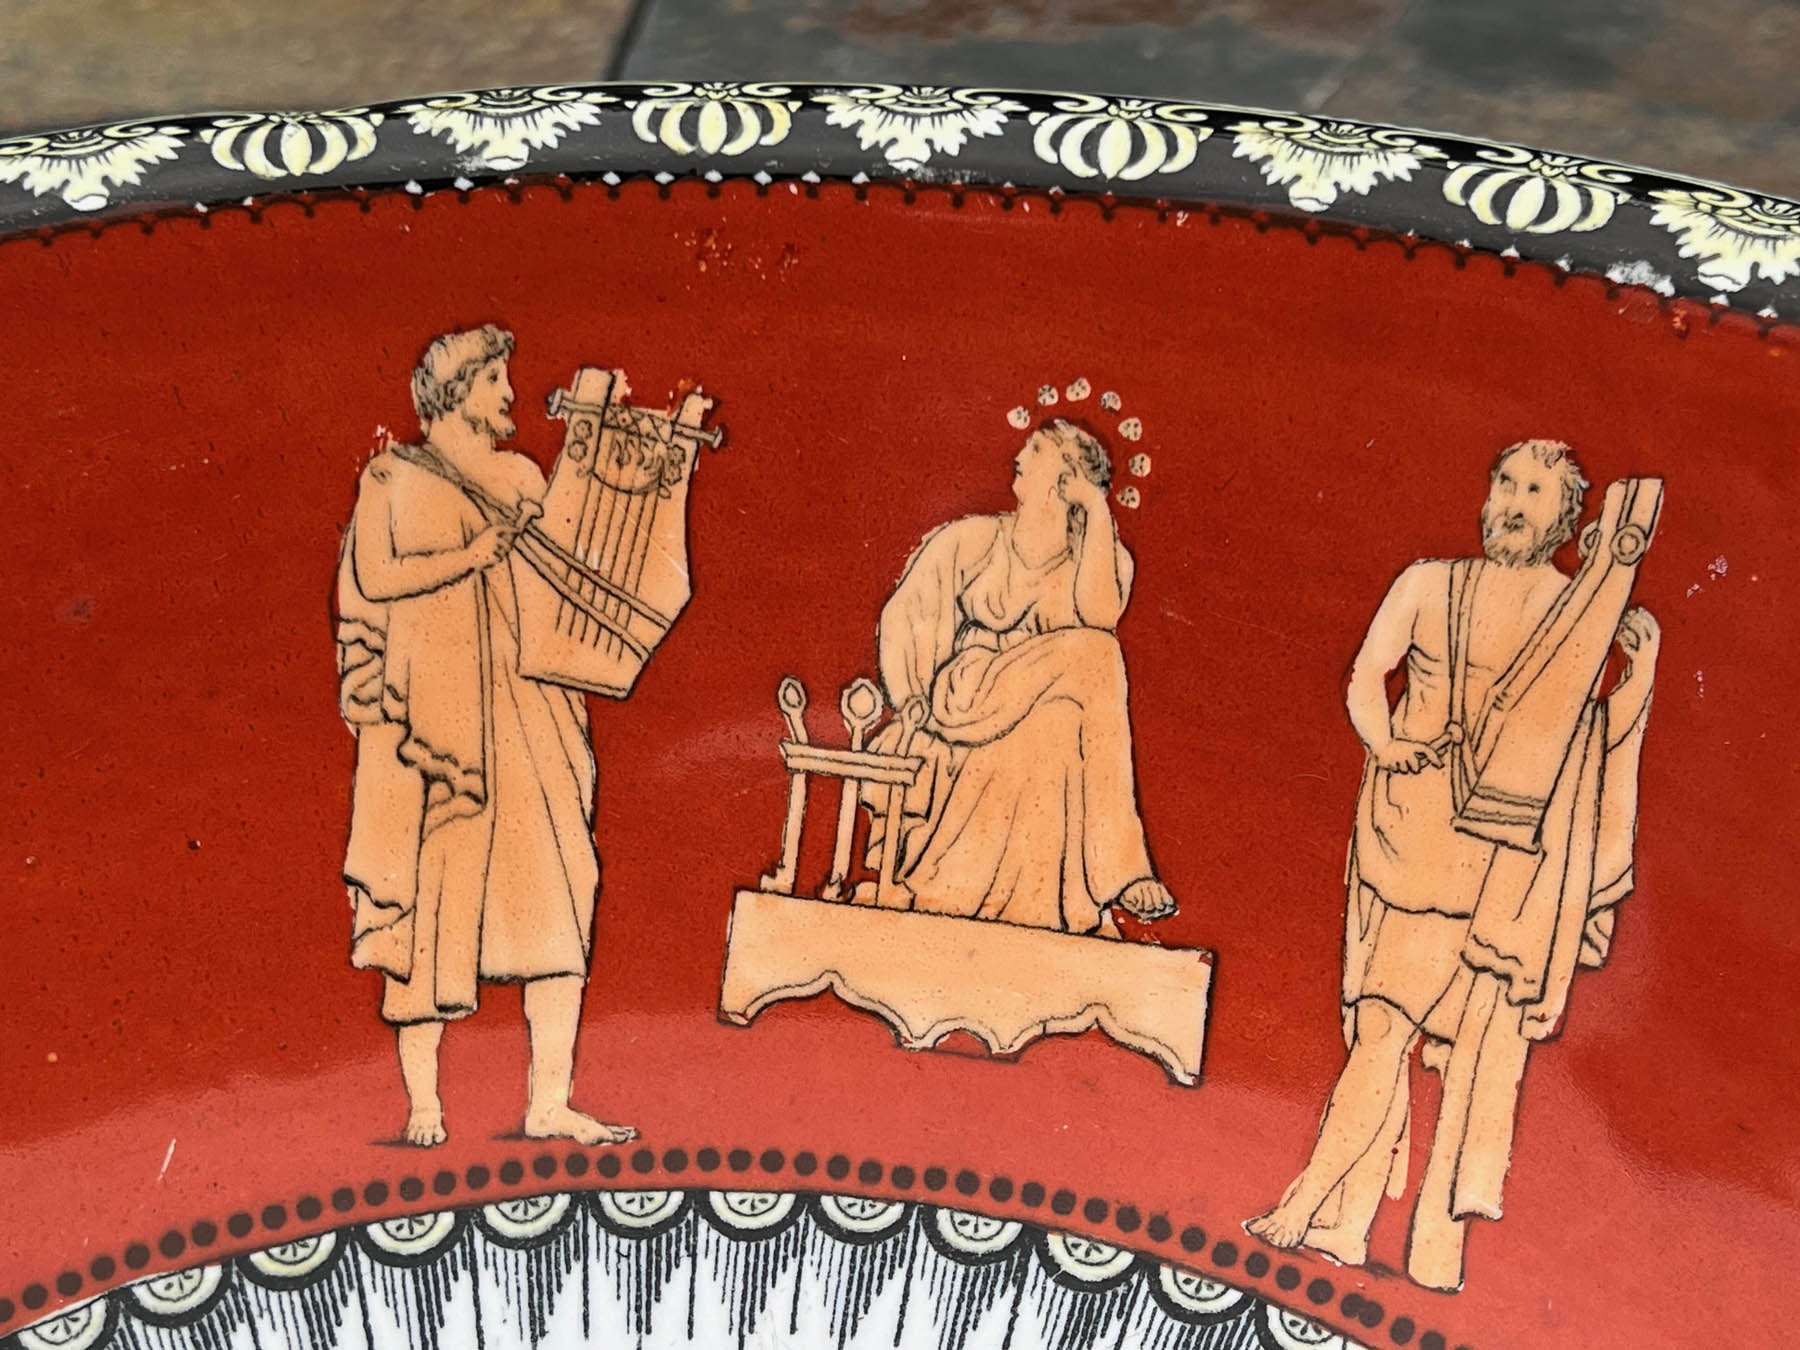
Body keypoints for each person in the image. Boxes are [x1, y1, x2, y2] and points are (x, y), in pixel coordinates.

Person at [1247, 440, 1659, 1290]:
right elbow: (1368, 676)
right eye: (1505, 483)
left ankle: (1316, 1207)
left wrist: (1639, 677)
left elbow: (1577, 749)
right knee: (1375, 1030)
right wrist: (1386, 743)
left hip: (1489, 869)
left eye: (1534, 491)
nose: (1512, 502)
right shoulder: (1427, 583)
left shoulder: (1572, 614)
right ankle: (1344, 1227)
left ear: (1565, 516)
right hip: (1401, 833)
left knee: (1403, 1033)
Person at [334, 325, 635, 1148]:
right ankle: (425, 1106)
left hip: (529, 709)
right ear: (456, 389)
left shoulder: (521, 476)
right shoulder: (391, 477)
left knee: (561, 887)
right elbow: (373, 579)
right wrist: (472, 554)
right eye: (494, 380)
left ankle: (549, 1102)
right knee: (431, 904)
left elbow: (565, 578)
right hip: (438, 722)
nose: (509, 395)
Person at [864, 418, 1178, 934]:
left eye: (1036, 450)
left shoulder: (1105, 557)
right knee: (1100, 656)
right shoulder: (975, 539)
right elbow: (906, 613)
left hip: (1043, 710)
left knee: (1058, 724)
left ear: (1064, 478)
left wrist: (1096, 508)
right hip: (971, 691)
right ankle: (1122, 868)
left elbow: (1100, 613)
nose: (1020, 456)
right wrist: (911, 696)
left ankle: (1047, 904)